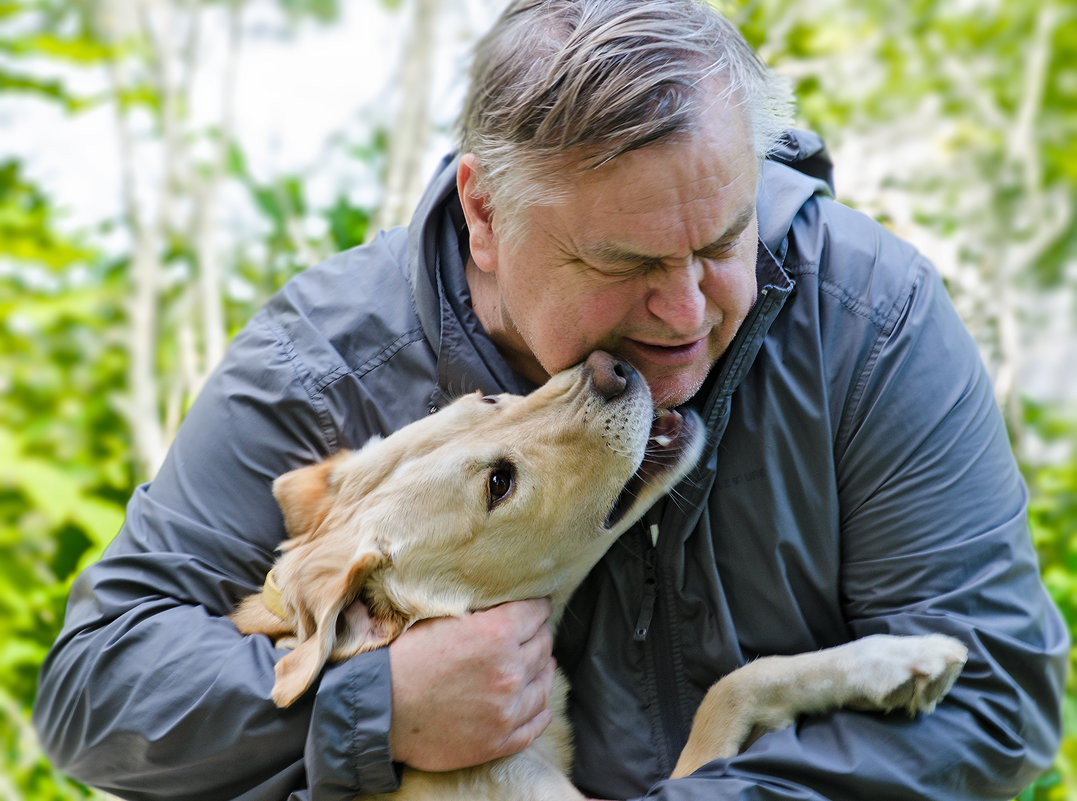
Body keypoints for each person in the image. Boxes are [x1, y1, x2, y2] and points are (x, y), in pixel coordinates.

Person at [34, 1, 1067, 799]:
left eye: (719, 244)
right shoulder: (321, 367)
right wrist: (375, 707)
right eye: (622, 261)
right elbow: (97, 686)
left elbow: (995, 694)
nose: (686, 309)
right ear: (486, 212)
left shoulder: (869, 317)